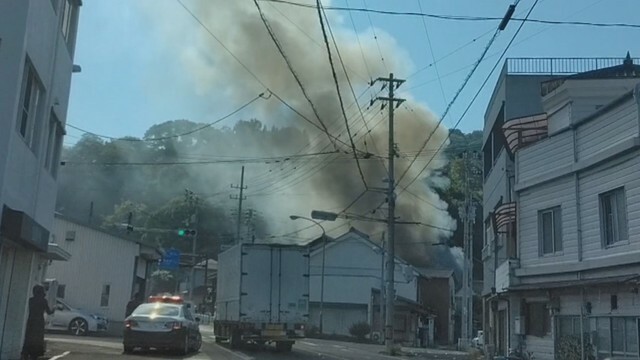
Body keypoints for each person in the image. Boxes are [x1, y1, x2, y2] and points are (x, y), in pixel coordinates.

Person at [22, 284, 54, 360]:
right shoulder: (44, 301)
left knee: (29, 337)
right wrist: (54, 309)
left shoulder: (31, 300)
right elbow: (49, 312)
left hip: (31, 320)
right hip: (39, 321)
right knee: (37, 338)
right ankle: (34, 355)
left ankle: (26, 353)